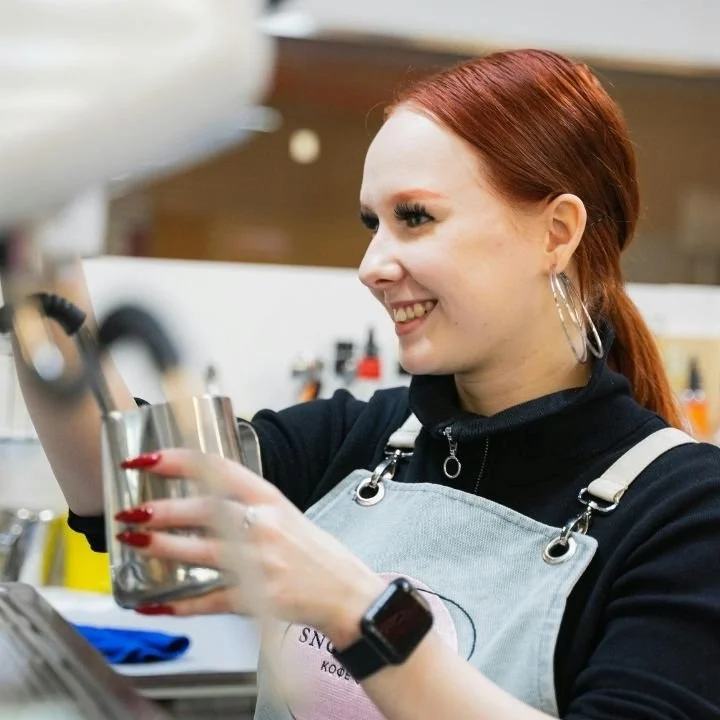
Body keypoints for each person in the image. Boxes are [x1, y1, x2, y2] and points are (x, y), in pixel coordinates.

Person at [15, 48, 720, 719]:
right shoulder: (364, 439)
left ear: (556, 232)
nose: (372, 263)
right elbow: (124, 491)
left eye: (415, 218)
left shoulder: (686, 516)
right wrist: (31, 260)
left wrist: (363, 612)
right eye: (371, 223)